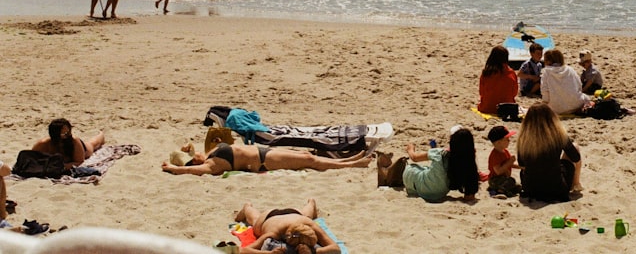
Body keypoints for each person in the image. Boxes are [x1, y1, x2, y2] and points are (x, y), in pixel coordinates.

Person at [376, 127, 479, 202]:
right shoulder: (469, 164)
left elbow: (414, 157)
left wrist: (410, 148)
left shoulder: (441, 154)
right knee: (425, 169)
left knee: (411, 167)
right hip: (439, 194)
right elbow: (469, 197)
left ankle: (387, 175)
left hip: (421, 187)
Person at [160, 142, 371, 176]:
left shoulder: (207, 154)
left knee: (307, 155)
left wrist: (185, 148)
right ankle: (353, 163)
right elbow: (189, 171)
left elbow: (192, 150)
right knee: (309, 161)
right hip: (263, 162)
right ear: (194, 162)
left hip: (263, 151)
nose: (193, 152)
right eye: (191, 156)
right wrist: (172, 167)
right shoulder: (211, 165)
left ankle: (349, 160)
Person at [516, 103, 582, 202]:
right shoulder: (558, 134)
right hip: (557, 189)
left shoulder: (524, 138)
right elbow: (575, 157)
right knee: (575, 147)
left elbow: (522, 164)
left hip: (530, 189)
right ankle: (576, 184)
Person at [235, 198, 340, 254]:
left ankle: (311, 202)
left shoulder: (310, 226)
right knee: (255, 220)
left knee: (308, 215)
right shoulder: (274, 233)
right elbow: (242, 250)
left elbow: (336, 248)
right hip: (269, 218)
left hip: (297, 215)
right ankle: (246, 207)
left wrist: (313, 251)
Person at [32, 118, 105, 170]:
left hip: (83, 150)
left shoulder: (74, 141)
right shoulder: (43, 144)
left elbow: (79, 161)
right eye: (62, 133)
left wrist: (63, 167)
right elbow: (31, 158)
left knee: (94, 144)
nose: (65, 135)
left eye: (67, 132)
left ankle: (101, 134)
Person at [540, 49, 590, 115]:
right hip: (575, 105)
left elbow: (545, 92)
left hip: (556, 109)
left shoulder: (546, 72)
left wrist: (545, 104)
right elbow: (579, 86)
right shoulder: (569, 69)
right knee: (586, 98)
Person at [477, 46, 518, 114]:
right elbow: (514, 93)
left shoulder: (486, 73)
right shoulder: (511, 73)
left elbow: (481, 92)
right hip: (507, 109)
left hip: (487, 108)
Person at [486, 125, 520, 199]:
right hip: (495, 179)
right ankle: (498, 191)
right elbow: (498, 171)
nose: (509, 141)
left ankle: (500, 189)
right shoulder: (495, 155)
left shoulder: (505, 151)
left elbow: (510, 164)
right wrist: (510, 161)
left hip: (504, 179)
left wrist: (521, 167)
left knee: (518, 187)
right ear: (498, 142)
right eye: (507, 139)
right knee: (511, 181)